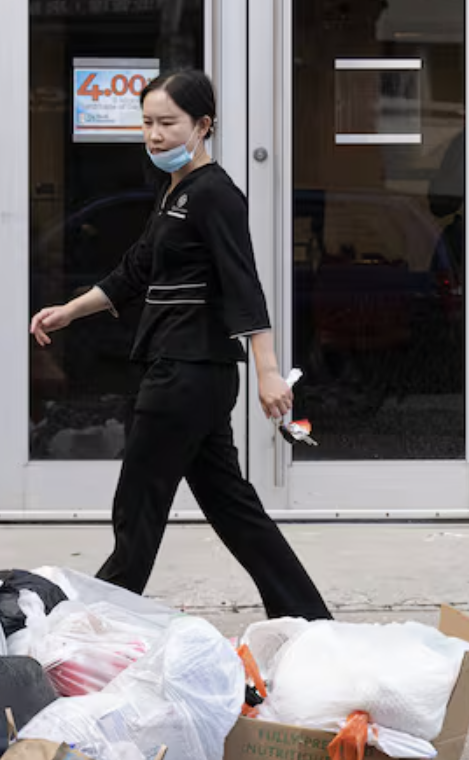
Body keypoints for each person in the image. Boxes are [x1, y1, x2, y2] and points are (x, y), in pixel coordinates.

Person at [30, 69, 332, 622]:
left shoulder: (214, 194)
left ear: (203, 125)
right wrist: (70, 310)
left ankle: (86, 628)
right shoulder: (176, 191)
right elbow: (136, 270)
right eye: (146, 123)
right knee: (233, 509)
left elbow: (244, 285)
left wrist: (268, 372)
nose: (154, 135)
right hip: (193, 375)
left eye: (168, 123)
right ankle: (312, 623)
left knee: (137, 510)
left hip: (184, 374)